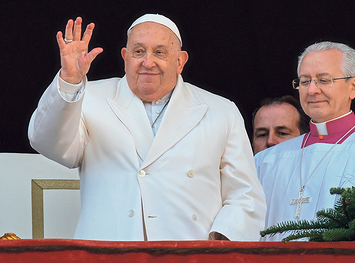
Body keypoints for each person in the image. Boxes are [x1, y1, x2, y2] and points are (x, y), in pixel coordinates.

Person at [28, 14, 266, 241]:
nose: (147, 62)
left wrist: (220, 242)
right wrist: (70, 80)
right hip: (107, 253)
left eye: (160, 52)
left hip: (189, 253)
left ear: (180, 61)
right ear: (125, 56)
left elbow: (245, 194)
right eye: (138, 51)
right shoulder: (89, 97)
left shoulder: (221, 111)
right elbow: (48, 143)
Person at [254, 41, 355, 241]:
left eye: (323, 80)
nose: (312, 90)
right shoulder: (267, 160)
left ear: (353, 86)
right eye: (304, 81)